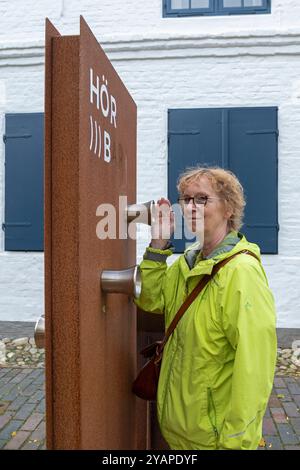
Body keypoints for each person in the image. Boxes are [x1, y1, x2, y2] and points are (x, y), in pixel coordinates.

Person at [134, 167, 277, 450]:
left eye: (202, 199)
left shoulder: (242, 272)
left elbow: (255, 367)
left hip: (214, 440)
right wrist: (159, 244)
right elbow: (150, 299)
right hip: (179, 432)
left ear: (228, 209)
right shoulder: (188, 263)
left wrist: (237, 442)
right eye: (186, 199)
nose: (191, 207)